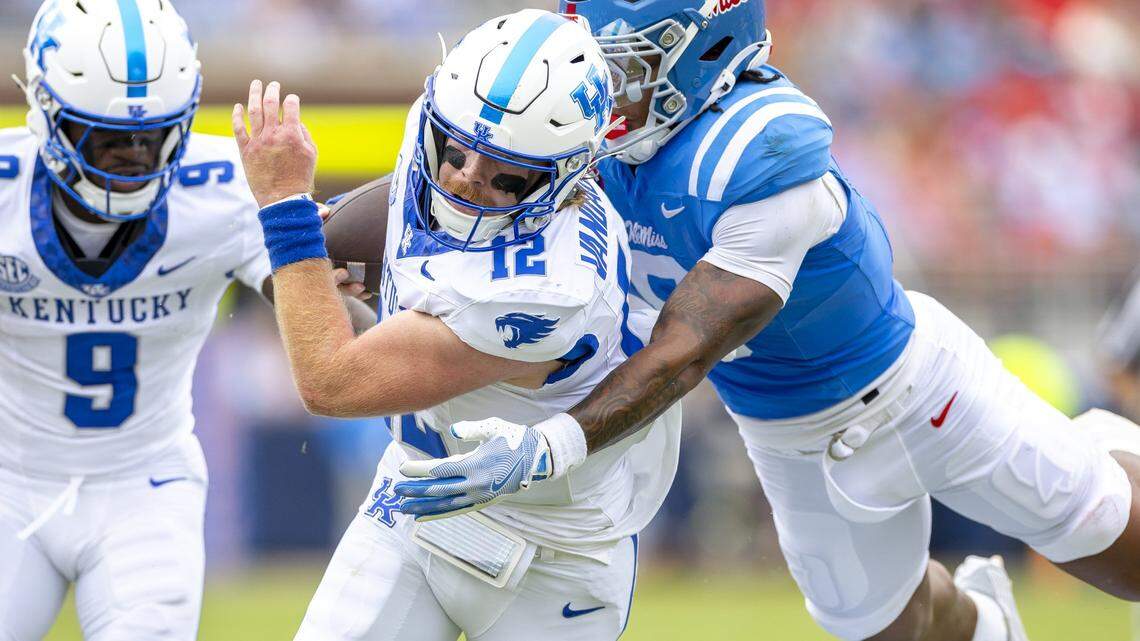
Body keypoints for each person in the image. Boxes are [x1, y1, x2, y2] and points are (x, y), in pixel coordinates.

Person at [394, 2, 1140, 641]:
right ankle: (988, 624)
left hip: (916, 390)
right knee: (884, 622)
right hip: (788, 433)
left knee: (1112, 542)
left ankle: (1106, 447)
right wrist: (307, 231)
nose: (601, 89)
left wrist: (550, 447)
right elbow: (446, 194)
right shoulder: (588, 140)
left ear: (704, 49)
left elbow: (683, 353)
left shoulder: (761, 148)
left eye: (624, 65)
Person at [232, 9, 680, 640]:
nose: (466, 179)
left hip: (550, 551)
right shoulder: (449, 125)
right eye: (455, 151)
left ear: (570, 172)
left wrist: (285, 210)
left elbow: (329, 383)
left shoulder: (548, 292)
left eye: (507, 176)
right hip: (416, 494)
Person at [0, 0, 274, 638]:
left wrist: (317, 254)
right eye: (108, 136)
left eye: (151, 135)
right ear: (47, 116)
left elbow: (330, 320)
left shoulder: (225, 187)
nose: (132, 157)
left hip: (146, 485)